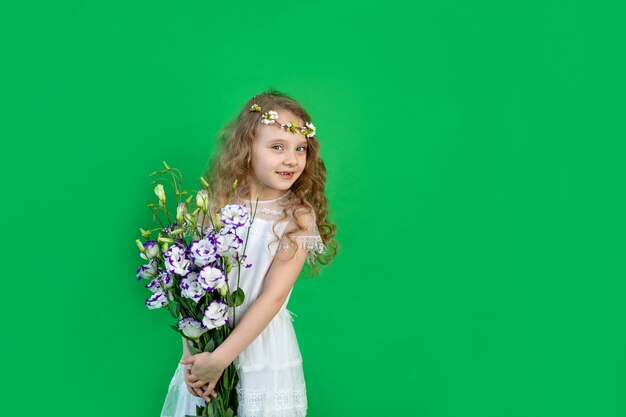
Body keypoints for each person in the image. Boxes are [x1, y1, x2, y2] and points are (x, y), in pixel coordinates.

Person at [159, 89, 338, 417]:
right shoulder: (214, 205)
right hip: (208, 342)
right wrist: (195, 358)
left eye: (301, 149)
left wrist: (220, 360)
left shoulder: (296, 217)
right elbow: (190, 285)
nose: (292, 159)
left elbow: (272, 297)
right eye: (277, 147)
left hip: (261, 350)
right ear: (247, 150)